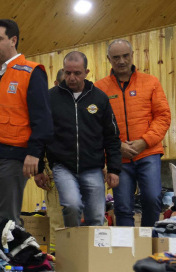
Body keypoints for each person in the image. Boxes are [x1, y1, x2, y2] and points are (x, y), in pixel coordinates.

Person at [0, 19, 52, 226]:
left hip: (13, 157)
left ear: (13, 40)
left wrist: (35, 153)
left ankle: (14, 257)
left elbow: (42, 118)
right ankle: (3, 256)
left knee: (7, 220)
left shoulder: (32, 72)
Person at [36, 51, 121, 227]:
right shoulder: (49, 98)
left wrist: (114, 169)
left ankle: (92, 254)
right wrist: (38, 169)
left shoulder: (100, 98)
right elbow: (39, 135)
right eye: (68, 73)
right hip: (62, 166)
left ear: (86, 72)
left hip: (93, 168)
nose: (72, 77)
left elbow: (111, 137)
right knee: (72, 205)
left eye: (77, 73)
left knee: (96, 217)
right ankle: (74, 247)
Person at [95, 39, 171, 227]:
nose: (121, 61)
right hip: (118, 158)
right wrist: (116, 146)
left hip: (147, 153)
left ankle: (149, 243)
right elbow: (95, 125)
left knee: (153, 199)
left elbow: (163, 116)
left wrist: (144, 142)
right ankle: (126, 250)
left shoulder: (151, 82)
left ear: (132, 55)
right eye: (116, 57)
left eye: (125, 56)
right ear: (109, 59)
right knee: (122, 207)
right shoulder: (99, 89)